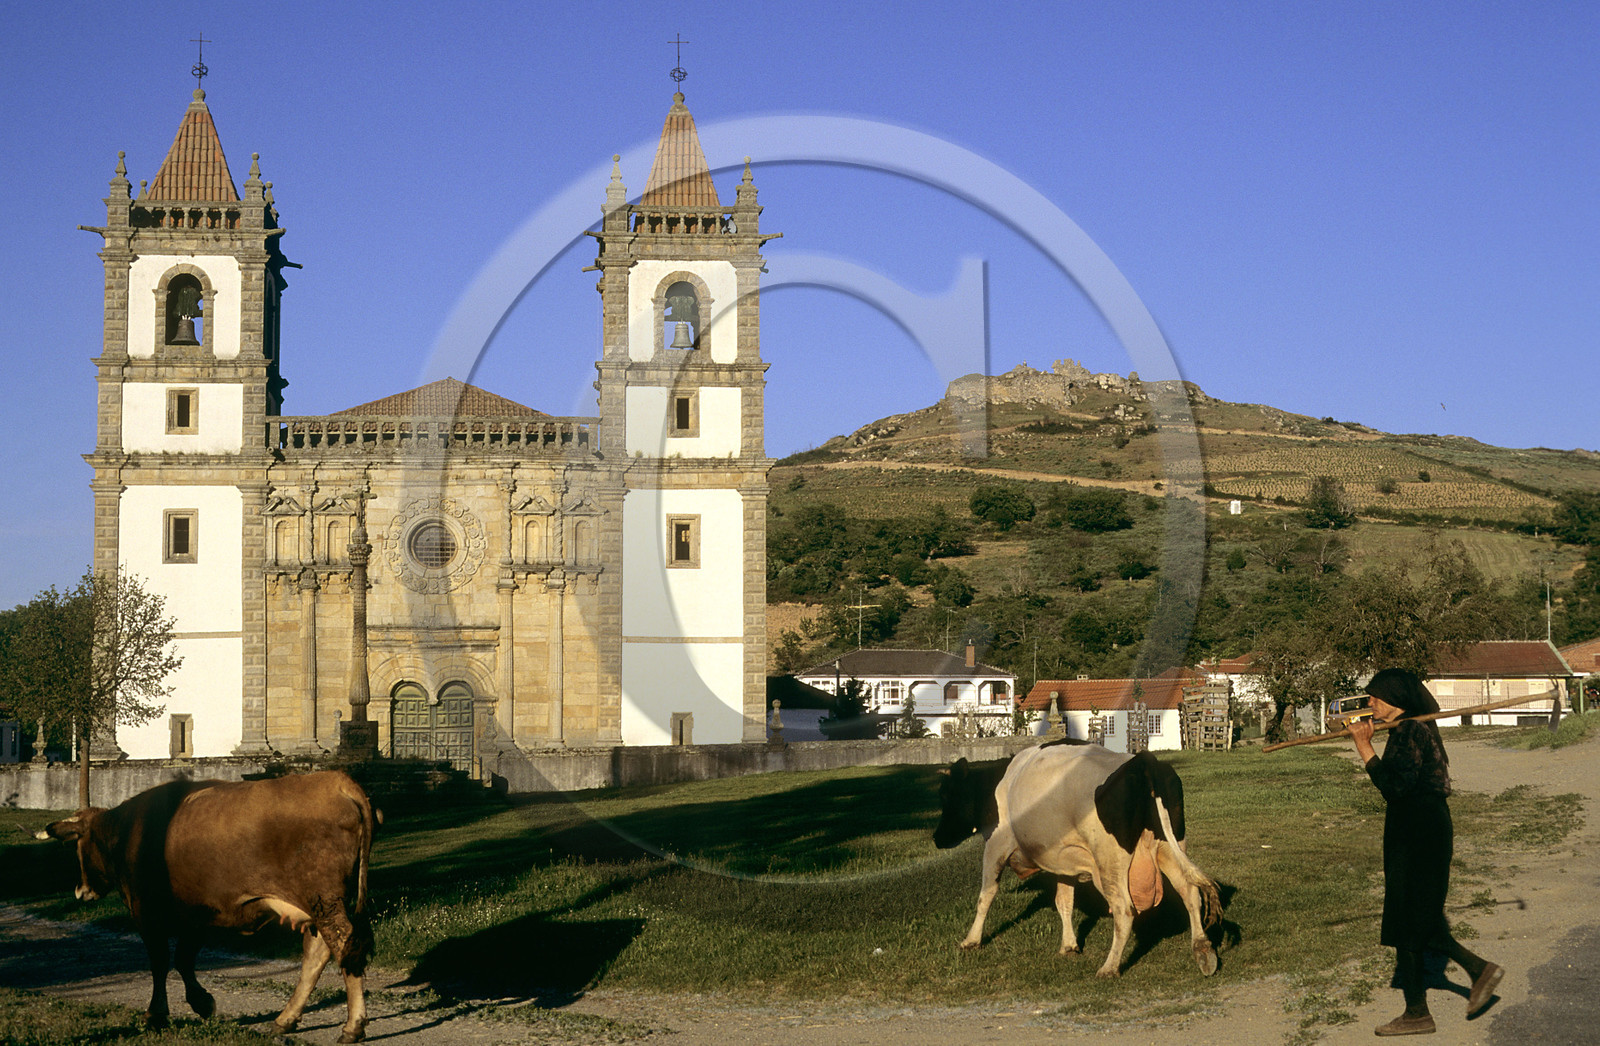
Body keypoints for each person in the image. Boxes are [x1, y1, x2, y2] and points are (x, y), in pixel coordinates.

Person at [1348, 667, 1504, 1036]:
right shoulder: (1409, 729)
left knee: (1409, 916)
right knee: (1412, 916)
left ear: (1395, 700)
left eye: (1375, 697)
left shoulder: (1409, 731)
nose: (1370, 703)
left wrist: (1364, 747)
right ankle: (1435, 999)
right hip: (1417, 826)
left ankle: (1440, 997)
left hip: (1419, 830)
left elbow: (1395, 788)